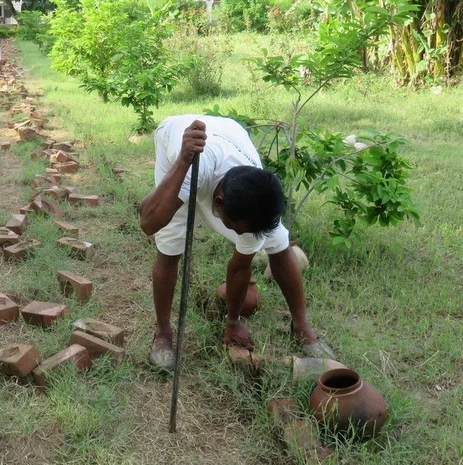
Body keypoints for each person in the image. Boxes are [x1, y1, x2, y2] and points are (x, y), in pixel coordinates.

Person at [138, 114, 335, 372]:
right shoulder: (191, 170)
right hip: (179, 144)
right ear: (217, 204)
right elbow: (148, 223)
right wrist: (185, 159)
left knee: (279, 242)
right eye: (238, 229)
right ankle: (163, 333)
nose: (246, 237)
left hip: (229, 132)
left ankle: (301, 326)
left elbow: (240, 267)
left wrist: (233, 321)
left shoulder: (257, 191)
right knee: (170, 245)